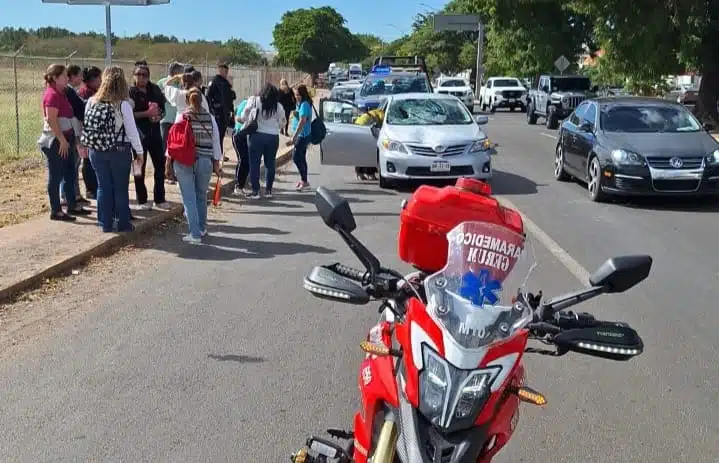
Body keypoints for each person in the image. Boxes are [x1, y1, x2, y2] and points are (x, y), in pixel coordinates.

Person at [85, 66, 144, 233]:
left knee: (103, 186)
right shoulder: (123, 104)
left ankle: (105, 223)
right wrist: (139, 153)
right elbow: (132, 132)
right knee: (120, 187)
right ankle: (123, 223)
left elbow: (88, 126)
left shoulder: (91, 101)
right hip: (119, 150)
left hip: (96, 150)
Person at [164, 88, 222, 244]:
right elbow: (216, 142)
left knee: (189, 198)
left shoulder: (182, 116)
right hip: (205, 161)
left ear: (187, 100)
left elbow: (172, 143)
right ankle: (202, 228)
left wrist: (168, 164)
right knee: (201, 196)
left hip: (184, 161)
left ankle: (194, 233)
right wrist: (217, 163)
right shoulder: (210, 118)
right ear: (202, 100)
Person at [37, 64, 90, 222]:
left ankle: (72, 205)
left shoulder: (63, 93)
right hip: (55, 141)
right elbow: (51, 120)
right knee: (56, 175)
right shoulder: (52, 94)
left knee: (69, 172)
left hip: (66, 138)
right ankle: (56, 210)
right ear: (54, 78)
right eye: (64, 76)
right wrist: (61, 140)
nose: (67, 79)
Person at [129, 64, 167, 210]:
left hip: (155, 133)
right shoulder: (130, 92)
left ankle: (159, 198)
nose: (141, 77)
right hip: (138, 135)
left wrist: (158, 116)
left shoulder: (155, 89)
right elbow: (129, 115)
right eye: (138, 74)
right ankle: (141, 200)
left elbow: (162, 108)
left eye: (144, 74)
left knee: (160, 165)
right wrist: (146, 114)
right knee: (139, 167)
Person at [241, 83, 286, 199]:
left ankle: (256, 191)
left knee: (254, 163)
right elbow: (282, 123)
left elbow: (245, 114)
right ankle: (268, 190)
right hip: (273, 137)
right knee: (270, 164)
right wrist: (274, 126)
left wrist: (244, 121)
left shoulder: (254, 100)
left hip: (256, 135)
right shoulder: (278, 106)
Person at [61, 64, 89, 206]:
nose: (81, 78)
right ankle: (66, 195)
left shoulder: (71, 91)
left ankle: (75, 194)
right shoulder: (69, 92)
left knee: (76, 164)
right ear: (71, 76)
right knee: (71, 164)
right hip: (72, 131)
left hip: (75, 130)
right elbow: (80, 109)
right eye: (79, 75)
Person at [78, 66, 103, 198]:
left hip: (95, 131)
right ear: (93, 79)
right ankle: (90, 189)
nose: (101, 80)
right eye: (99, 77)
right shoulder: (85, 93)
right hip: (87, 131)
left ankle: (95, 187)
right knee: (87, 161)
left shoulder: (96, 91)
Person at [205, 63, 236, 161]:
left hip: (225, 113)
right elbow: (208, 96)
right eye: (223, 70)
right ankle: (215, 157)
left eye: (226, 71)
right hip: (217, 113)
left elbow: (230, 97)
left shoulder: (226, 83)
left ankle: (220, 155)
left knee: (221, 135)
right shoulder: (214, 81)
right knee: (217, 135)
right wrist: (212, 110)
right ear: (219, 70)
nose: (225, 73)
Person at [287, 84, 313, 191]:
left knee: (296, 158)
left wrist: (294, 136)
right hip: (302, 134)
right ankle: (304, 180)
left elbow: (303, 121)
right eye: (295, 95)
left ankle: (304, 180)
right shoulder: (301, 104)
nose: (296, 97)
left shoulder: (304, 105)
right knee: (301, 158)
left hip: (302, 135)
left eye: (298, 95)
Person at [354, 107, 385, 180]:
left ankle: (359, 173)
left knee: (361, 154)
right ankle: (370, 174)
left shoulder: (372, 113)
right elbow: (382, 122)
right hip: (364, 130)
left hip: (357, 128)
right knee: (370, 153)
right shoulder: (381, 113)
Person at [231, 97, 250, 194]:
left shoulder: (247, 103)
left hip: (243, 135)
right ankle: (238, 185)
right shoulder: (246, 103)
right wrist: (248, 123)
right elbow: (237, 117)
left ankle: (241, 183)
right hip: (238, 134)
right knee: (243, 160)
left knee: (245, 160)